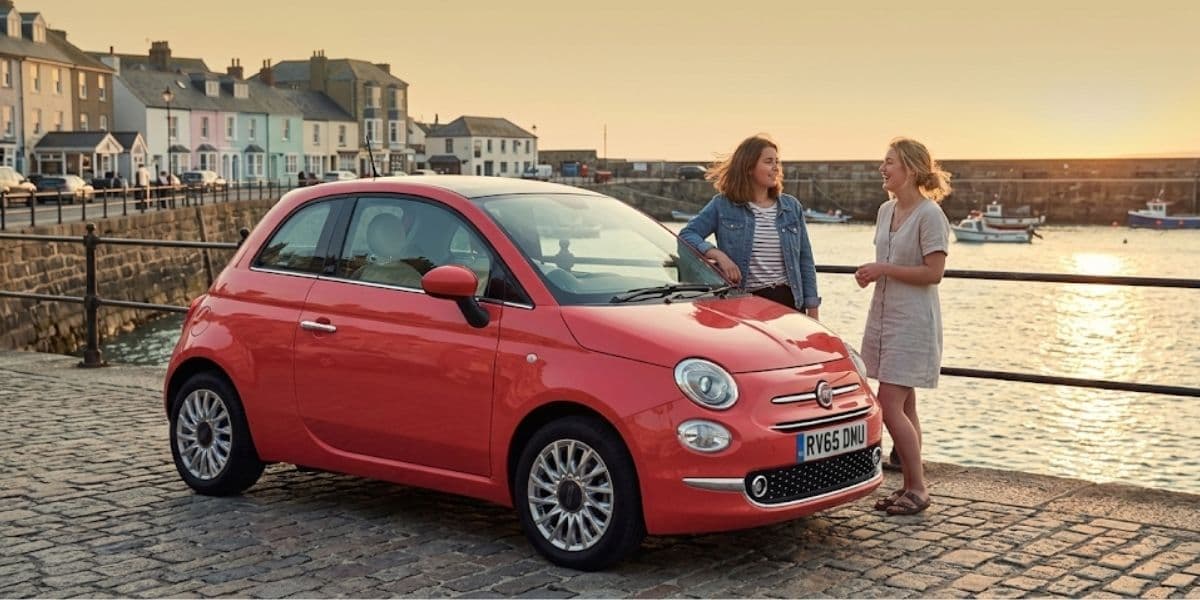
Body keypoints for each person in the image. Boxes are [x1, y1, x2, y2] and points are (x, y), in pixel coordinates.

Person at [855, 137, 951, 516]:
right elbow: (889, 261)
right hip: (883, 317)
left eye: (889, 161)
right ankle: (910, 484)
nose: (883, 167)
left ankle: (918, 487)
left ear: (909, 168)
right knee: (905, 404)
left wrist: (883, 269)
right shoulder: (885, 211)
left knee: (887, 403)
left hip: (912, 322)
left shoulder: (930, 215)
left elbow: (934, 272)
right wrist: (872, 273)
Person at [678, 134, 820, 317]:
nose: (776, 168)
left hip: (789, 304)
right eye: (769, 161)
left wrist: (813, 311)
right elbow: (687, 235)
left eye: (777, 162)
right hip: (745, 303)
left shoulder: (791, 207)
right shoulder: (723, 205)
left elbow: (805, 261)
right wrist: (719, 256)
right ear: (749, 167)